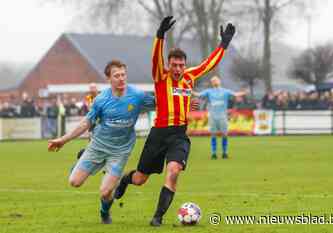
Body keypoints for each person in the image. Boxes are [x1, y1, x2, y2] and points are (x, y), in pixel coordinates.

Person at [114, 16, 236, 226]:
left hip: (179, 135)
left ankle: (157, 218)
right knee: (140, 179)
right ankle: (126, 179)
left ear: (184, 65)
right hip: (158, 134)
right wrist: (160, 36)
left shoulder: (189, 77)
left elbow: (209, 64)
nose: (178, 69)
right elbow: (155, 58)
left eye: (181, 65)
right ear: (169, 65)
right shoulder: (161, 76)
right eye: (174, 65)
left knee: (173, 171)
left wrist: (223, 45)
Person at [48, 60, 155, 224]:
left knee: (105, 192)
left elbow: (162, 102)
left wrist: (186, 101)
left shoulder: (137, 95)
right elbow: (86, 123)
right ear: (109, 79)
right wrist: (63, 140)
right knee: (74, 182)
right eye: (116, 75)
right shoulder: (101, 99)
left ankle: (104, 212)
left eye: (123, 75)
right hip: (98, 146)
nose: (121, 78)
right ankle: (81, 162)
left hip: (120, 151)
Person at [195, 76, 245, 159]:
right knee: (213, 135)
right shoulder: (209, 91)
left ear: (219, 81)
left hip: (222, 116)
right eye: (213, 80)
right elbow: (198, 94)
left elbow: (235, 94)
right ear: (212, 83)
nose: (215, 81)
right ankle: (214, 153)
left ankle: (224, 153)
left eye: (216, 80)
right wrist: (189, 90)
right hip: (213, 116)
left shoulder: (225, 91)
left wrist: (243, 92)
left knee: (225, 135)